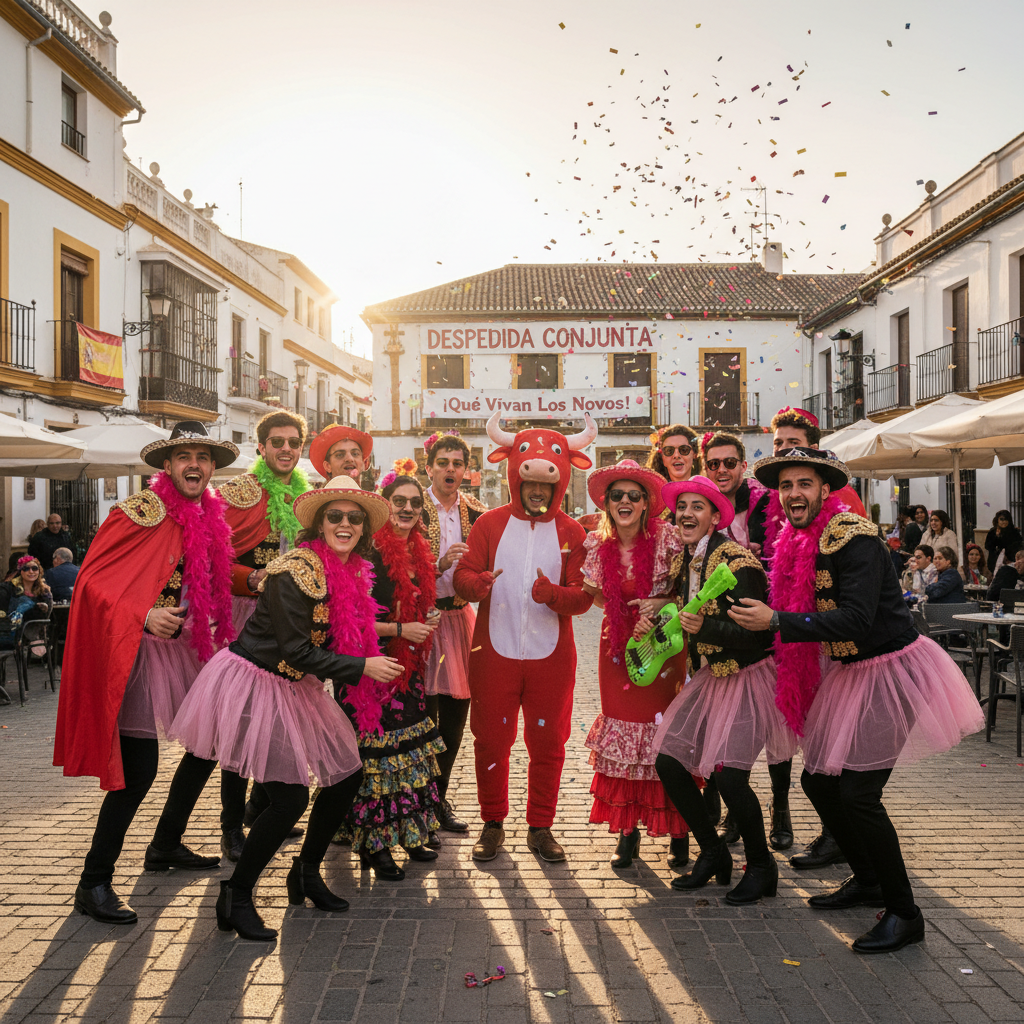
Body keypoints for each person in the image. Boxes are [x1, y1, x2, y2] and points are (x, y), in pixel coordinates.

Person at [729, 447, 984, 953]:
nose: (794, 493)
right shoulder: (798, 539)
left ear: (825, 490)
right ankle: (867, 879)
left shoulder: (856, 537)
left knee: (859, 796)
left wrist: (777, 621)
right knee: (817, 780)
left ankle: (906, 914)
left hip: (892, 670)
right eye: (786, 485)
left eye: (805, 483)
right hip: (851, 672)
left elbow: (856, 620)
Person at [167, 476, 402, 940]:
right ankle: (236, 894)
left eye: (354, 518)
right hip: (257, 682)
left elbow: (339, 634)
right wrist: (362, 667)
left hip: (296, 685)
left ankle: (306, 872)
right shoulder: (293, 570)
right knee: (290, 798)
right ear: (318, 522)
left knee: (346, 774)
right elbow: (297, 651)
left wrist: (385, 639)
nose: (345, 523)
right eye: (335, 515)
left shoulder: (350, 568)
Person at [53, 422, 239, 925]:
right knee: (138, 774)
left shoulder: (208, 515)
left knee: (211, 741)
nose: (194, 465)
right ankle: (93, 882)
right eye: (184, 457)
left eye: (203, 456)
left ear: (212, 467)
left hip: (188, 650)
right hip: (140, 657)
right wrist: (142, 615)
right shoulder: (138, 512)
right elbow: (92, 583)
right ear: (166, 466)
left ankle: (164, 843)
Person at [454, 412, 597, 864]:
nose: (538, 491)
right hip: (492, 653)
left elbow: (584, 598)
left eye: (546, 486)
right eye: (529, 483)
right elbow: (462, 576)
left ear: (560, 485)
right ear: (515, 478)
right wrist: (477, 585)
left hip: (550, 659)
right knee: (490, 741)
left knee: (549, 744)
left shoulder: (573, 533)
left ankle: (541, 826)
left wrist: (554, 595)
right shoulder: (489, 524)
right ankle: (492, 823)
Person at [650, 474, 796, 903]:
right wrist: (661, 623)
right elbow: (685, 619)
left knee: (730, 779)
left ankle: (762, 867)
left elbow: (761, 635)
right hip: (711, 677)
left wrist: (707, 626)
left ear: (716, 517)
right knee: (670, 762)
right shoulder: (688, 561)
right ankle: (714, 852)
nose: (687, 514)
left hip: (749, 677)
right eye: (683, 507)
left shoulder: (737, 563)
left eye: (698, 507)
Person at [579, 460, 690, 870]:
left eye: (634, 495)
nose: (625, 501)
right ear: (607, 503)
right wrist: (619, 610)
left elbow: (688, 590)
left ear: (646, 504)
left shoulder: (669, 539)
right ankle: (629, 832)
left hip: (663, 648)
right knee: (625, 739)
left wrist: (661, 605)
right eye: (617, 495)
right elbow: (591, 594)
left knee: (666, 736)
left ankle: (680, 830)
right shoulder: (597, 545)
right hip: (617, 651)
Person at [336, 475, 444, 880]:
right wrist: (401, 630)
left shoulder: (420, 549)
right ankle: (374, 845)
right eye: (399, 501)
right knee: (376, 759)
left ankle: (410, 831)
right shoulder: (367, 550)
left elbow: (413, 601)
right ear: (385, 505)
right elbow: (347, 619)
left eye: (415, 503)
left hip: (406, 668)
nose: (408, 508)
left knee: (410, 749)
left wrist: (423, 617)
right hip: (366, 668)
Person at [216, 409, 312, 862]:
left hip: (290, 624)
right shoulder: (240, 494)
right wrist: (250, 579)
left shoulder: (306, 498)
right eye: (277, 441)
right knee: (239, 728)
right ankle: (231, 828)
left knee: (275, 722)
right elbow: (207, 555)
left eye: (293, 442)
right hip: (245, 618)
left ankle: (264, 812)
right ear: (262, 447)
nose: (286, 449)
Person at [420, 430, 489, 836]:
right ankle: (418, 801)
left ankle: (438, 798)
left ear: (466, 469)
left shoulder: (478, 513)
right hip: (421, 623)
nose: (450, 469)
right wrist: (439, 563)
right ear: (429, 466)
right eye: (442, 462)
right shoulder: (410, 504)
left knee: (454, 718)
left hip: (460, 622)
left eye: (457, 463)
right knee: (421, 716)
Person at [699, 431, 765, 551]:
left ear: (743, 467)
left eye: (730, 463)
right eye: (714, 464)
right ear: (706, 469)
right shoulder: (698, 505)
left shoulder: (764, 500)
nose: (721, 469)